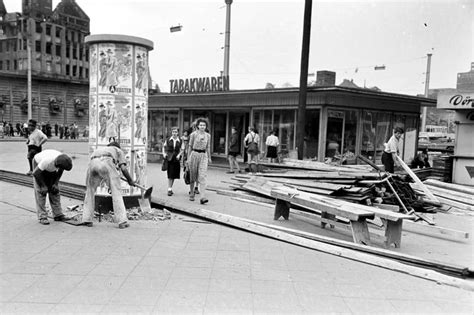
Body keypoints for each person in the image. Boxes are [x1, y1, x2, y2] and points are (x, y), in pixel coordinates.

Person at [82, 142, 135, 229]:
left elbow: (99, 171)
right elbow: (123, 168)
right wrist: (130, 180)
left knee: (90, 191)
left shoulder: (100, 150)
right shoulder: (118, 150)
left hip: (92, 164)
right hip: (106, 163)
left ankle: (86, 219)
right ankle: (122, 221)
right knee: (116, 192)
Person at [32, 149, 73, 225]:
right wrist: (43, 185)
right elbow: (35, 173)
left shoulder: (63, 160)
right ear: (57, 165)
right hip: (38, 166)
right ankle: (42, 216)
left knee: (54, 190)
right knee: (41, 192)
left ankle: (58, 215)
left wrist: (55, 183)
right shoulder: (47, 161)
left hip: (50, 168)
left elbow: (61, 171)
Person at [187, 117, 211, 204]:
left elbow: (208, 147)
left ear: (206, 126)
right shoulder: (193, 134)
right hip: (194, 155)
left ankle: (202, 197)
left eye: (204, 125)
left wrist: (209, 157)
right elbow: (190, 146)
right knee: (193, 175)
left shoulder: (208, 136)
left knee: (202, 176)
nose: (202, 126)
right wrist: (188, 158)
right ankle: (192, 193)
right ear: (197, 126)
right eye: (201, 125)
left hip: (203, 156)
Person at [162, 127, 183, 196]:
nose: (174, 133)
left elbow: (182, 149)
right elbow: (164, 147)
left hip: (176, 159)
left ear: (178, 133)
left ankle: (170, 188)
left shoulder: (180, 140)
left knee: (174, 174)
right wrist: (164, 154)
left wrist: (179, 155)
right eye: (173, 132)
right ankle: (169, 189)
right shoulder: (168, 140)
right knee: (170, 173)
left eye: (176, 132)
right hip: (169, 158)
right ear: (171, 132)